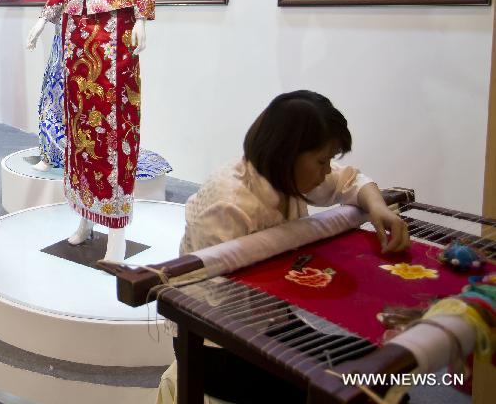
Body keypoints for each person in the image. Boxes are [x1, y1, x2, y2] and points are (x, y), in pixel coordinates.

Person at [171, 90, 410, 403]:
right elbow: (220, 305)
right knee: (354, 390)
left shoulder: (288, 175)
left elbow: (348, 181)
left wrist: (378, 207)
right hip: (218, 348)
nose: (327, 170)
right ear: (288, 153)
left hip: (272, 323)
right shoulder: (228, 203)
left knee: (378, 365)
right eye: (322, 160)